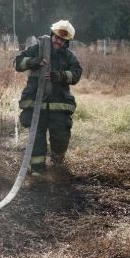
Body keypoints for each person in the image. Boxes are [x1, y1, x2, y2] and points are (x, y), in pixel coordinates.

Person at [14, 20, 83, 177]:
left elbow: (76, 74)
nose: (58, 41)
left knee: (61, 136)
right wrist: (33, 62)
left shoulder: (68, 57)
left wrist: (59, 76)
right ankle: (38, 173)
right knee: (36, 138)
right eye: (56, 37)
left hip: (59, 105)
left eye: (62, 40)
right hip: (35, 104)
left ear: (66, 42)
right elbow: (17, 63)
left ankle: (58, 165)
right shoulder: (36, 49)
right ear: (52, 35)